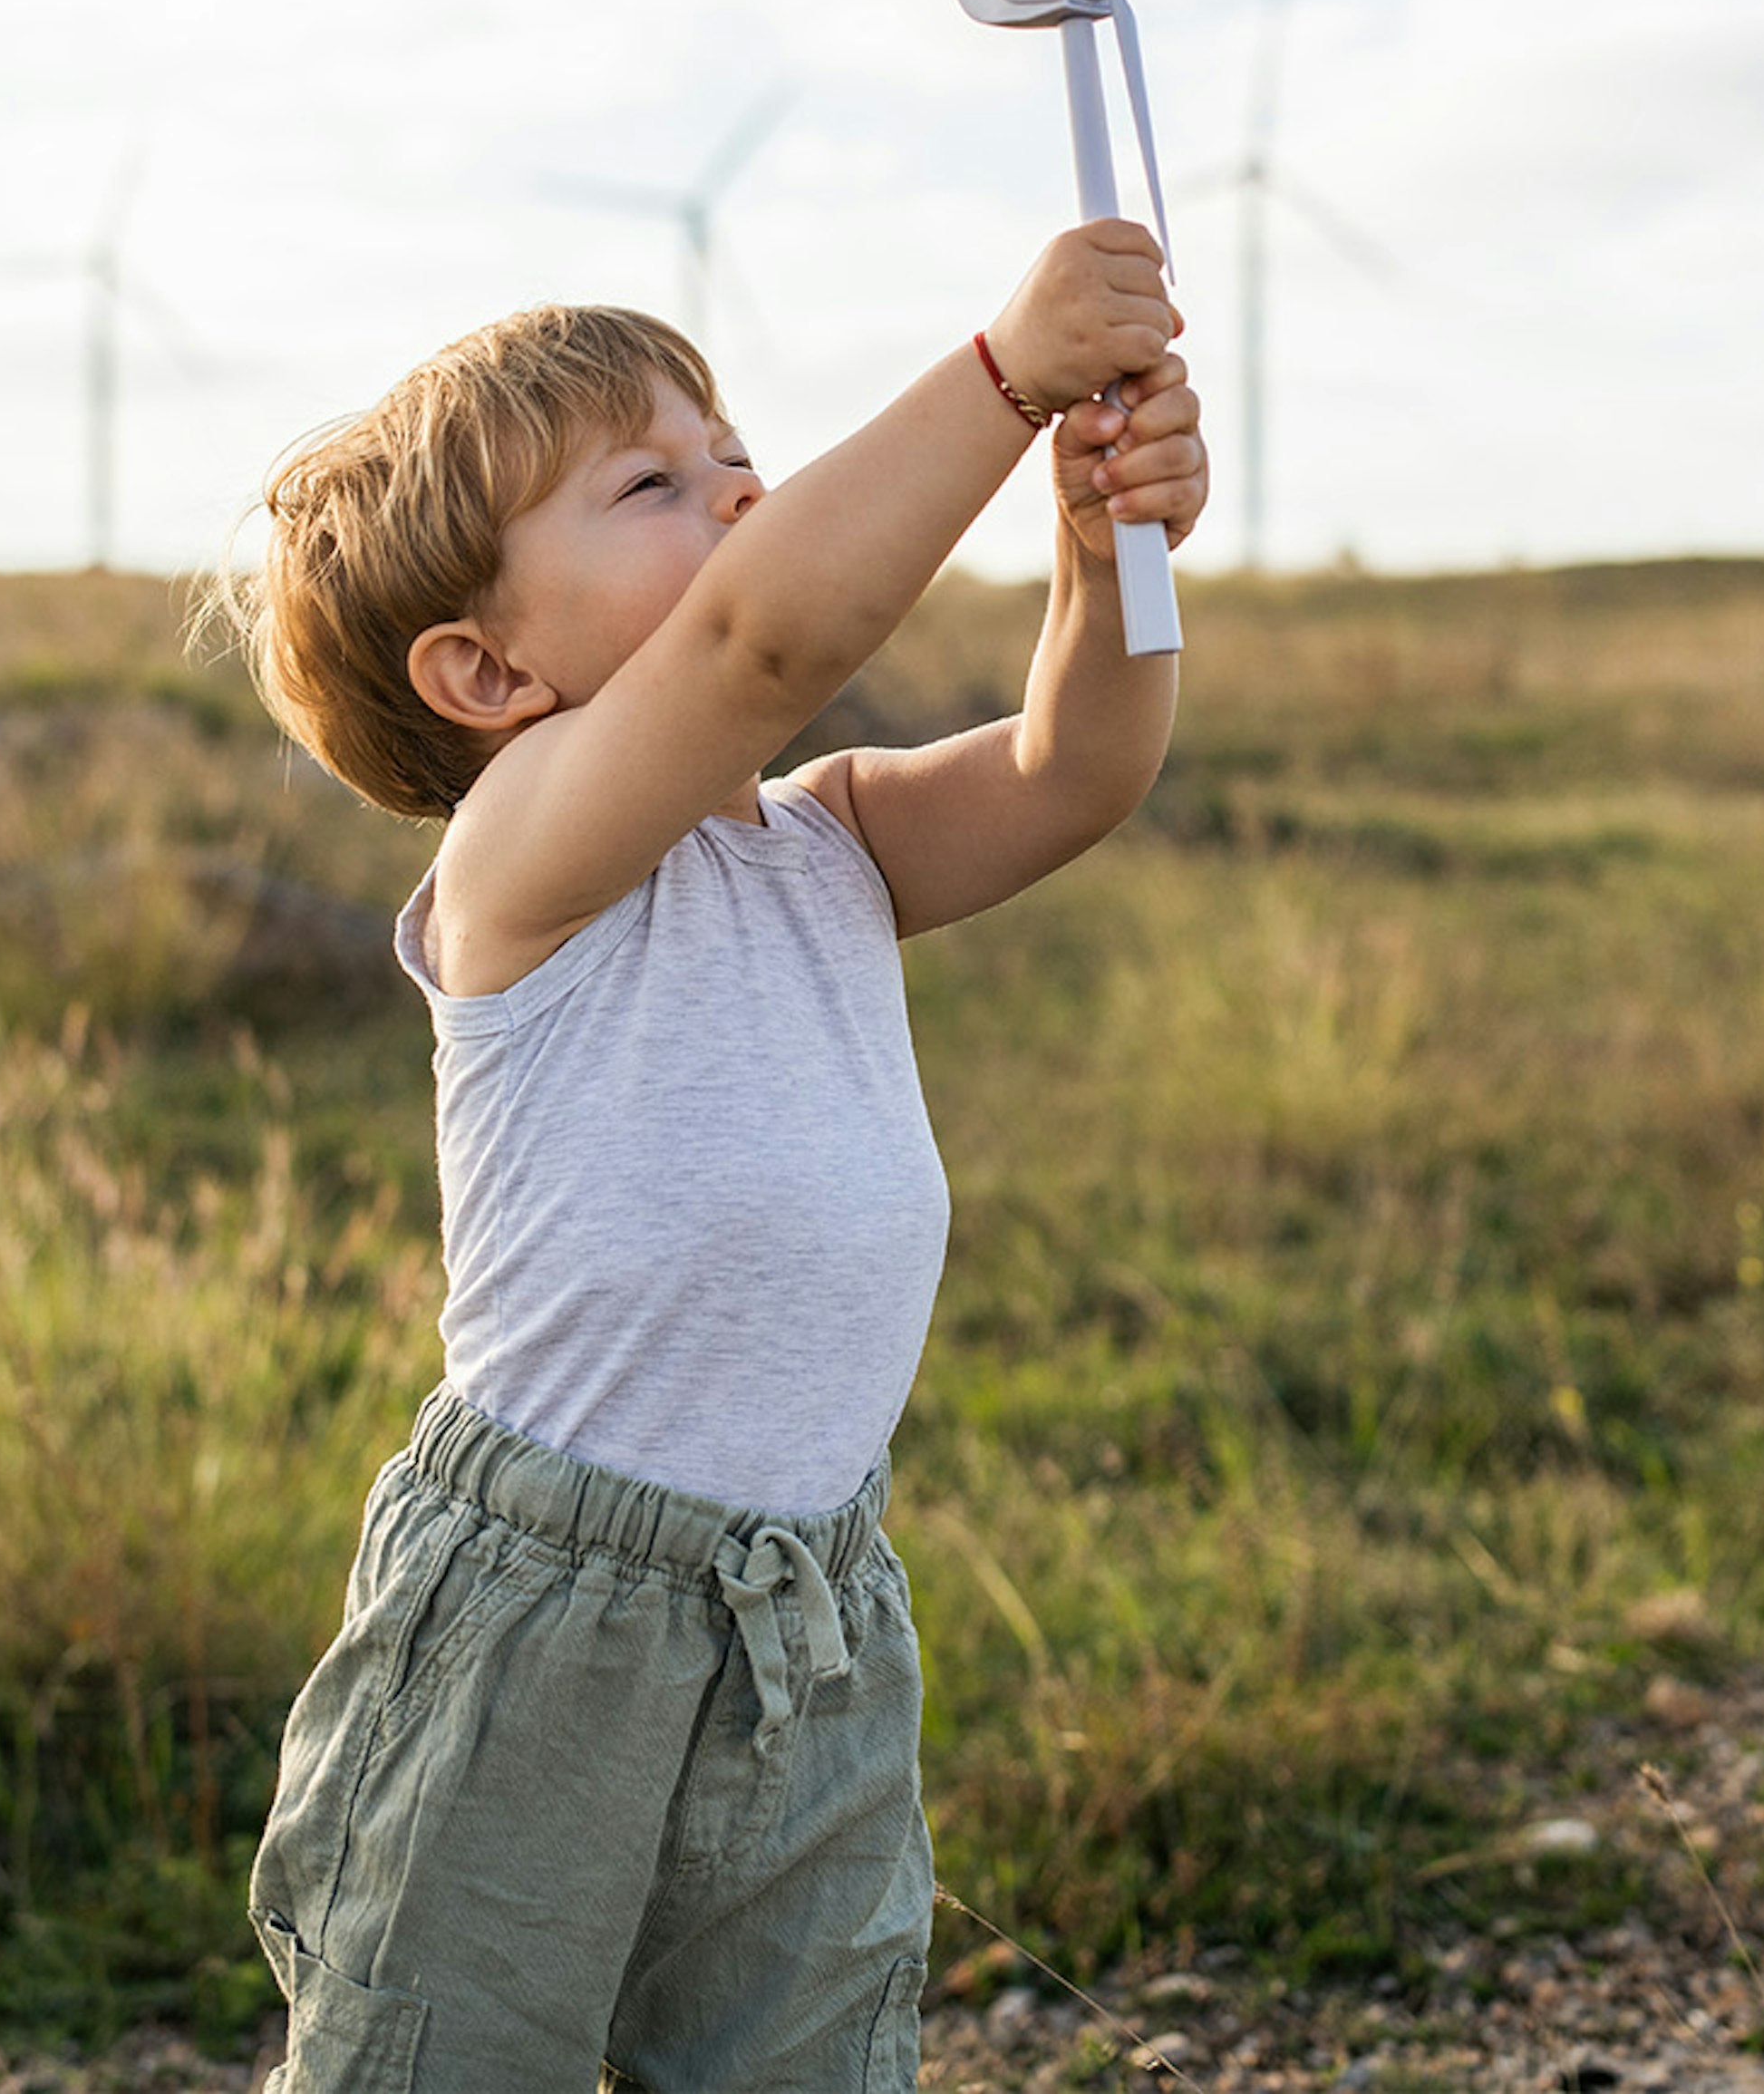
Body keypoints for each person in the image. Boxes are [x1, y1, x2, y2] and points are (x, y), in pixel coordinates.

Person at [212, 219, 1205, 2090]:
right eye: (654, 480)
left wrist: (1103, 549)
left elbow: (1082, 768)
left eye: (735, 446)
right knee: (442, 2056)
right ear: (487, 670)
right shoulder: (530, 856)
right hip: (535, 1618)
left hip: (809, 1603)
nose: (746, 489)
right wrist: (1006, 374)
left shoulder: (826, 838)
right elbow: (768, 637)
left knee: (803, 2057)